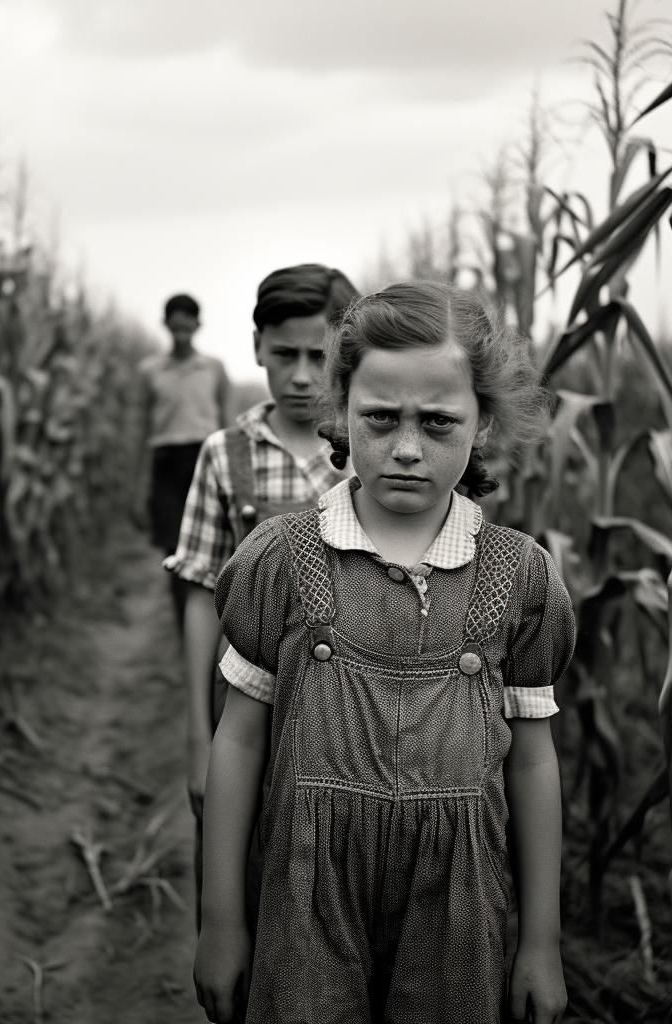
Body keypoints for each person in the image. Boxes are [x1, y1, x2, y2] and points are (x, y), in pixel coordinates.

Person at [194, 281, 574, 1024]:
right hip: (306, 890)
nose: (406, 448)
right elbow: (238, 740)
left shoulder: (518, 575)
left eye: (438, 423)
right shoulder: (281, 558)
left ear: (484, 422)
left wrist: (543, 942)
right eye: (379, 419)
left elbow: (533, 760)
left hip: (457, 902)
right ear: (339, 408)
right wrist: (222, 921)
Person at [164, 264, 358, 930]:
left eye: (319, 356)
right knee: (243, 873)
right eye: (284, 355)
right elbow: (198, 597)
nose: (302, 375)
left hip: (353, 719)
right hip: (248, 713)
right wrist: (198, 735)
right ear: (257, 349)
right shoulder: (224, 455)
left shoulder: (371, 452)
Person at [132, 293, 230, 629]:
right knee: (174, 556)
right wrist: (137, 487)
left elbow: (227, 424)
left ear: (198, 326)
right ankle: (184, 632)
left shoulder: (213, 369)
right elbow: (141, 429)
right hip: (165, 465)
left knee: (212, 553)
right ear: (166, 326)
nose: (181, 334)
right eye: (175, 328)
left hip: (204, 463)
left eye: (187, 327)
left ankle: (215, 629)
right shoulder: (150, 371)